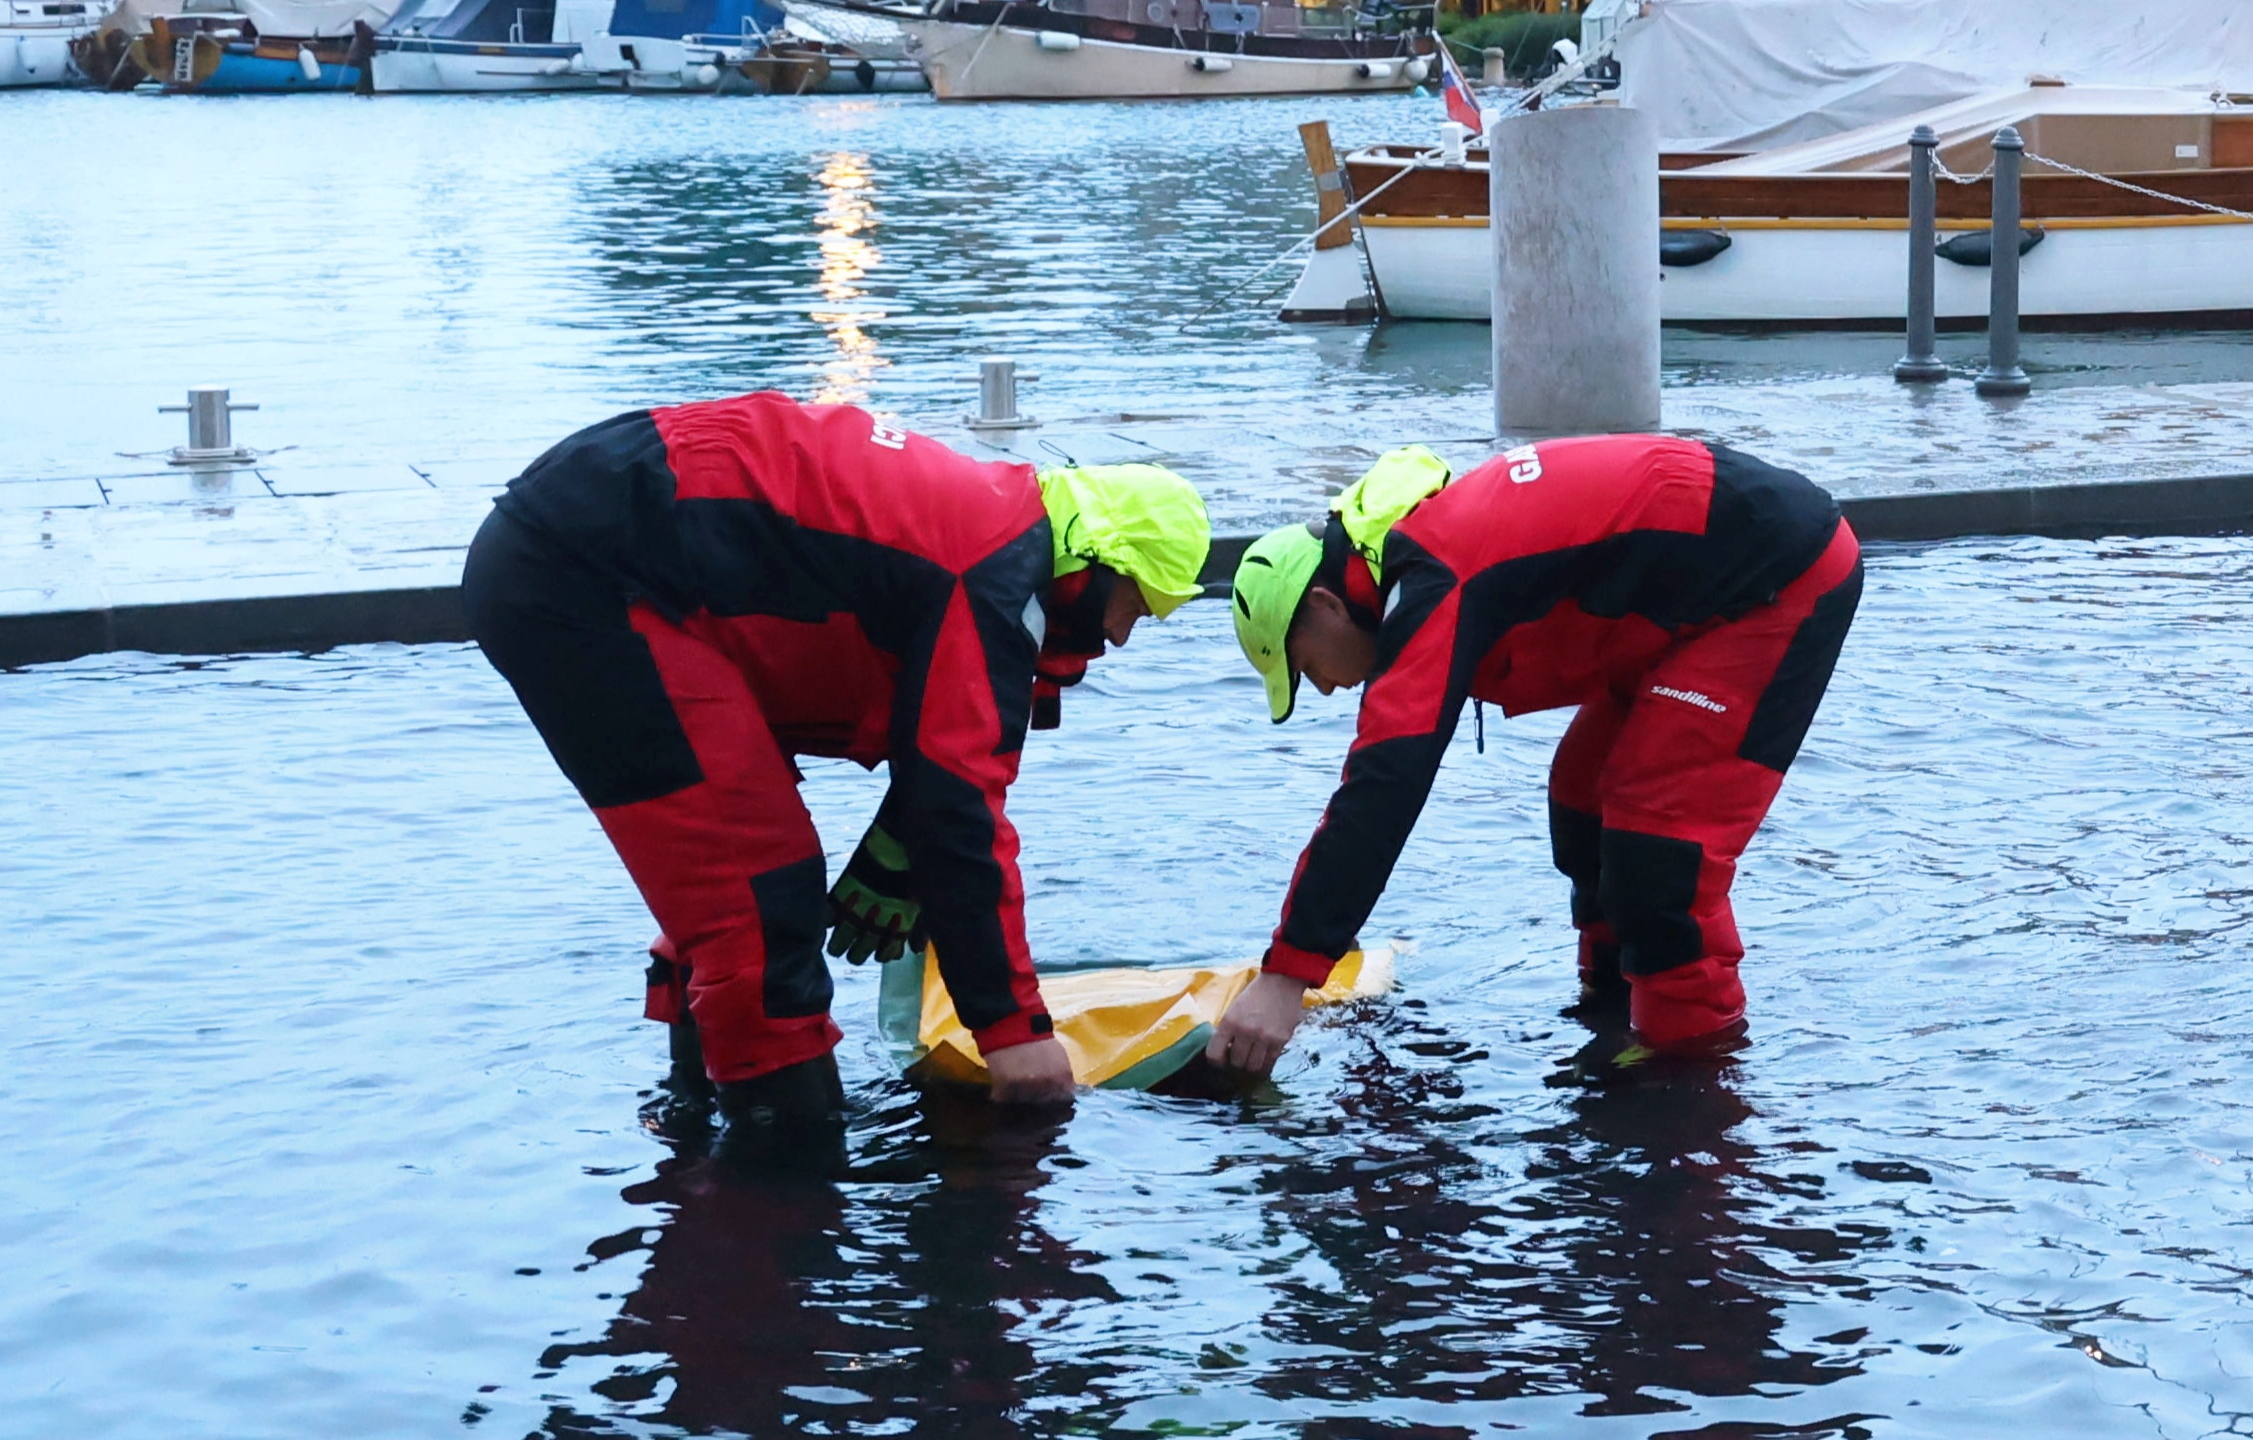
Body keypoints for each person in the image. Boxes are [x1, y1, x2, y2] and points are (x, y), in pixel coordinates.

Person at [466, 395, 1212, 1100]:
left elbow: (944, 758)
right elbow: (959, 810)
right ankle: (781, 1196)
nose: (1117, 637)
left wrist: (906, 840)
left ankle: (696, 1138)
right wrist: (1015, 1036)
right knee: (759, 907)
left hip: (603, 536)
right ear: (1097, 561)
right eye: (1134, 607)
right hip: (587, 574)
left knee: (746, 888)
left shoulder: (988, 525)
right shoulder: (984, 571)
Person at [1209, 433, 1862, 1081]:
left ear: (1325, 606)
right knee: (1582, 797)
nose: (1325, 687)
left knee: (1661, 855)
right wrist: (1322, 931)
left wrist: (1288, 974)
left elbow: (1385, 780)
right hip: (1695, 595)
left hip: (1775, 576)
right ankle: (1613, 1017)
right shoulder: (1426, 558)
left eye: (1305, 667)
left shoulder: (1434, 579)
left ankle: (1690, 1080)